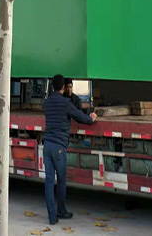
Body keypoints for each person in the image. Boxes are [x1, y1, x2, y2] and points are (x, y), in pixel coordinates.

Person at [43, 74, 97, 225]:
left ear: (52, 86)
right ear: (62, 87)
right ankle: (61, 210)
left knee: (49, 181)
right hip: (59, 146)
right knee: (61, 180)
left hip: (47, 145)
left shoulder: (46, 103)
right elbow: (79, 116)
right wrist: (91, 118)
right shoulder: (65, 103)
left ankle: (52, 217)